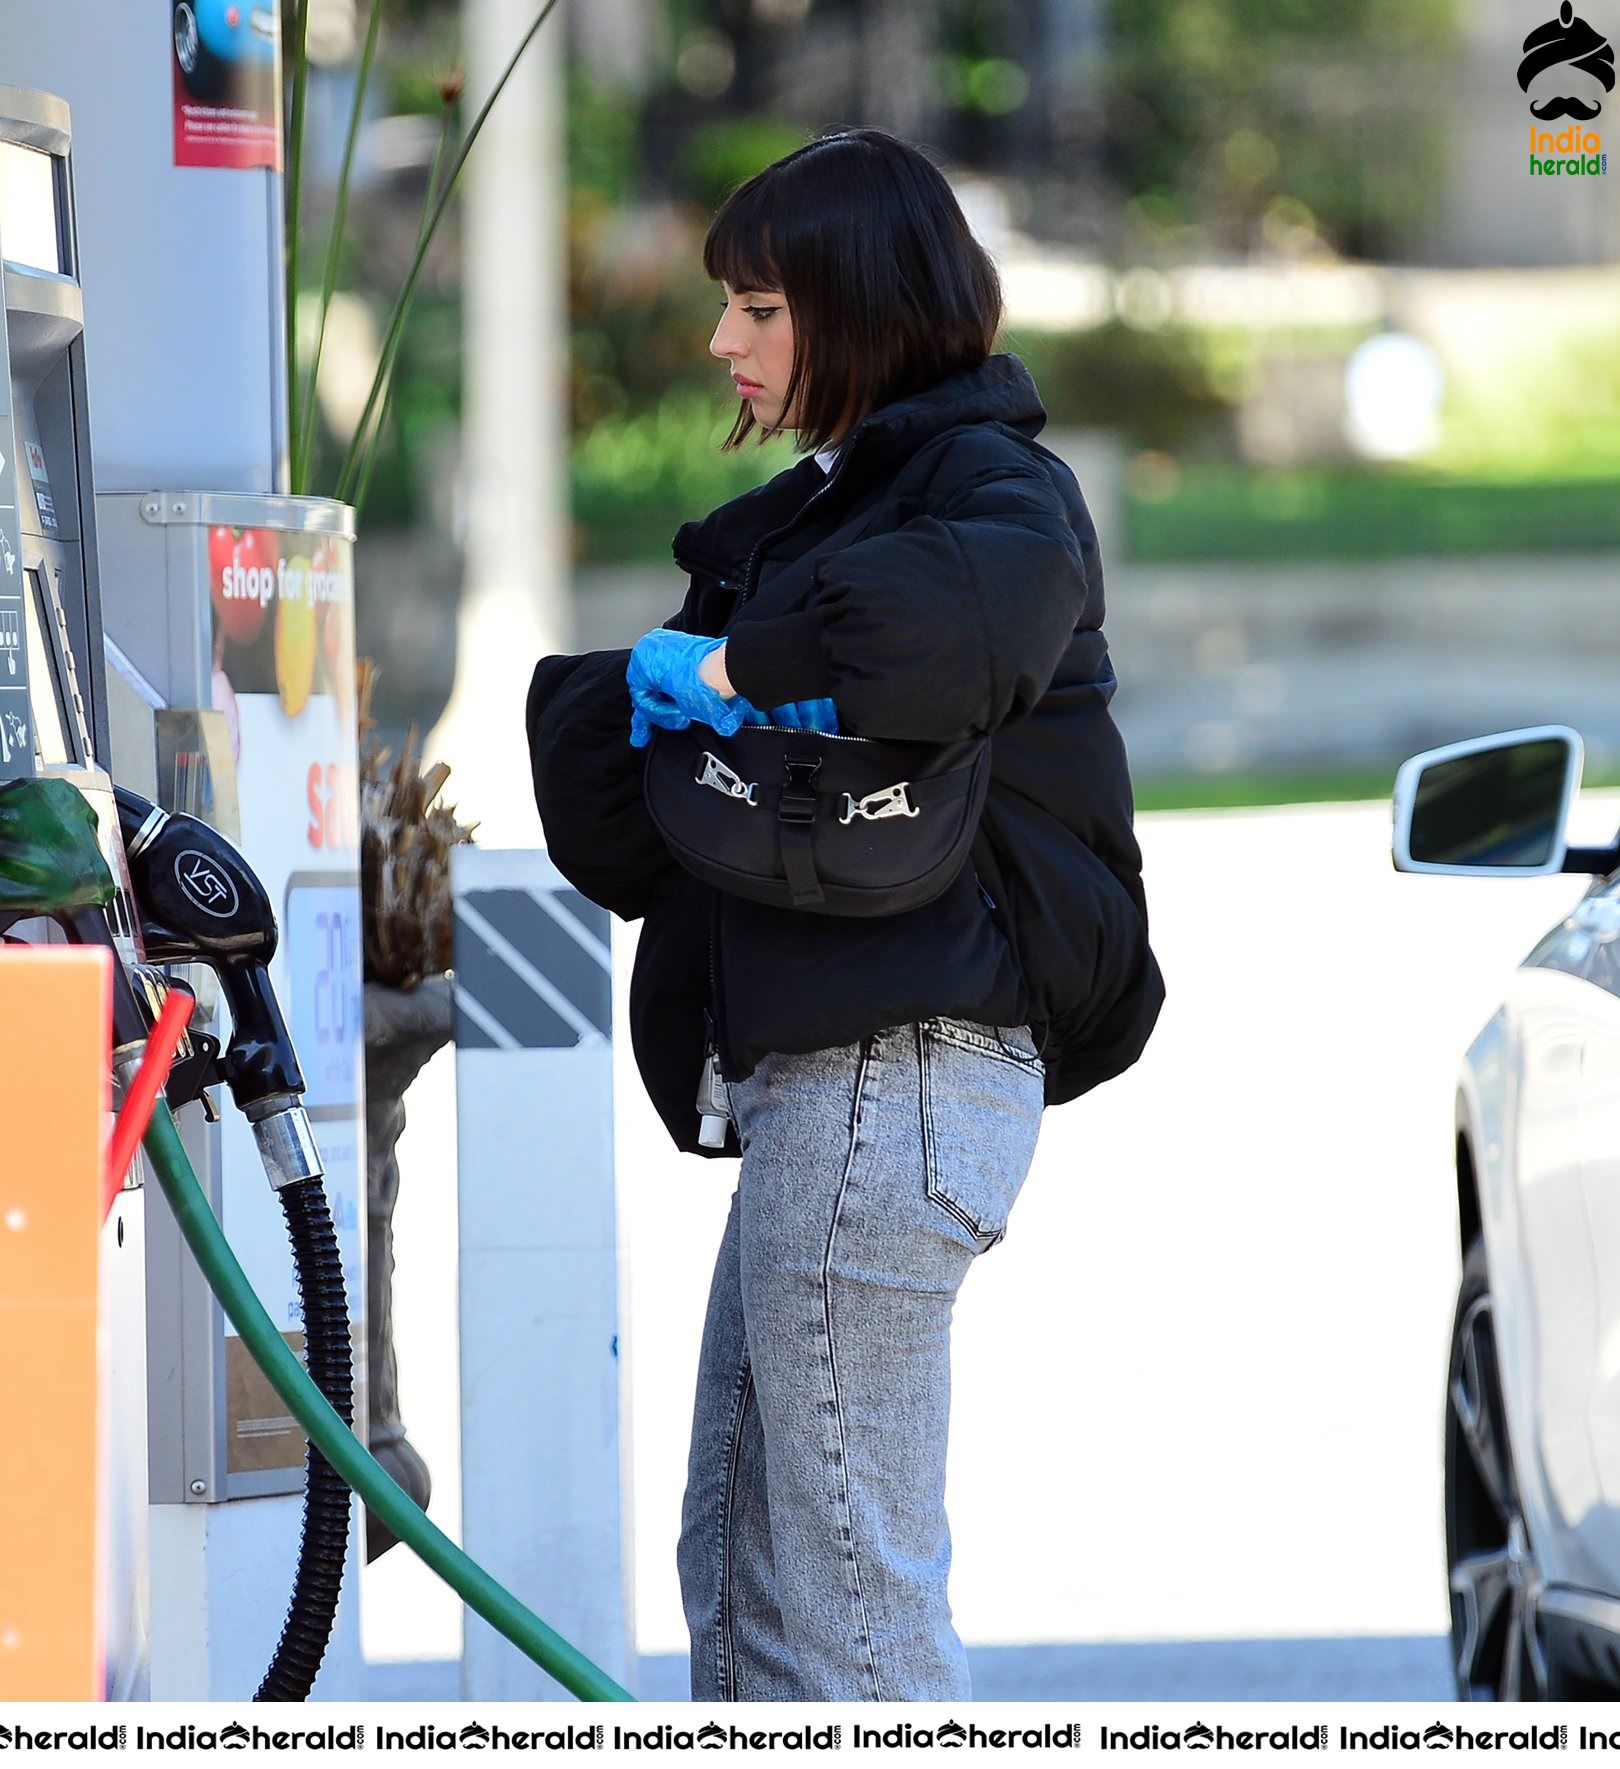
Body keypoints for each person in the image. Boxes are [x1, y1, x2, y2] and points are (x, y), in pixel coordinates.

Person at [526, 126, 1165, 1703]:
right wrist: (657, 697)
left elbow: (943, 632)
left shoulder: (993, 490)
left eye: (758, 305)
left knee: (854, 1601)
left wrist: (733, 673)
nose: (722, 341)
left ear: (858, 305)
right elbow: (628, 827)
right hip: (829, 1086)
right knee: (743, 1565)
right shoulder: (815, 519)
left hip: (898, 1074)